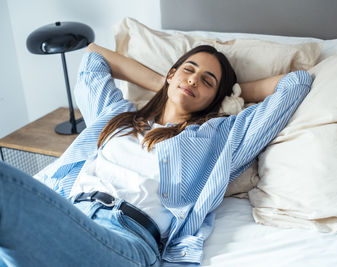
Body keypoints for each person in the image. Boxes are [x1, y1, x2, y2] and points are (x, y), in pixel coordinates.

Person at [0, 43, 312, 266]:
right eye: (188, 70)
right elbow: (94, 56)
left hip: (125, 238)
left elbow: (296, 84)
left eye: (207, 81)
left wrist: (229, 92)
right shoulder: (116, 113)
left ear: (216, 97)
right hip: (69, 211)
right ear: (172, 72)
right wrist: (166, 83)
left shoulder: (219, 137)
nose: (193, 80)